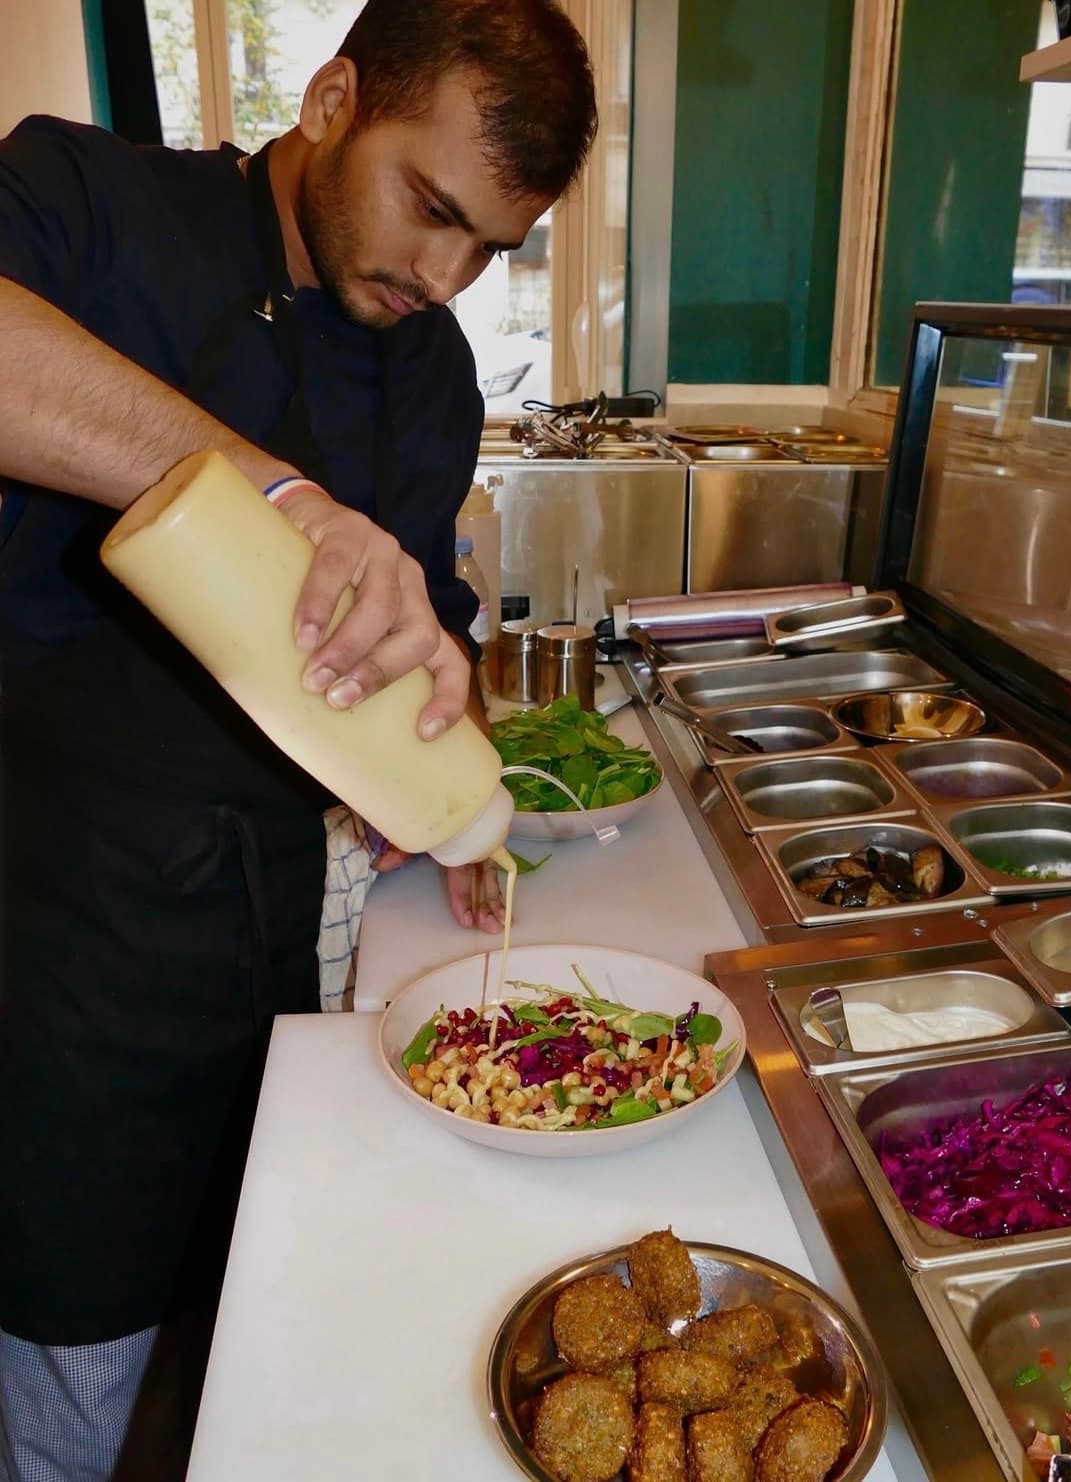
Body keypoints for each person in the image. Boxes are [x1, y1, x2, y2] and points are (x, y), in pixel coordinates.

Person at [0, 2, 596, 1477]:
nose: (444, 274)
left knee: (263, 1313)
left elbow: (413, 618)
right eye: (431, 209)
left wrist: (447, 770)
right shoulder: (94, 204)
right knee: (75, 1347)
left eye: (490, 248)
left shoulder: (431, 368)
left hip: (282, 921)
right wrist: (272, 496)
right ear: (331, 99)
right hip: (66, 933)